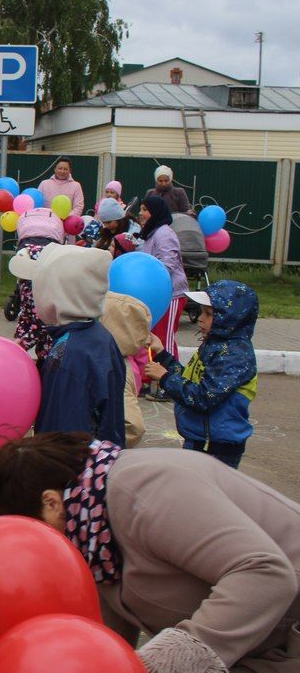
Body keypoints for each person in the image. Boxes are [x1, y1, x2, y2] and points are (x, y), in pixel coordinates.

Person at [0, 433, 300, 673]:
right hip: (249, 654)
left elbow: (263, 572)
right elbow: (109, 630)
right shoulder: (91, 532)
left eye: (34, 530)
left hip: (285, 651)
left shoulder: (145, 490)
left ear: (51, 503)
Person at [9, 243, 126, 446]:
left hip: (68, 469)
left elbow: (60, 438)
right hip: (100, 464)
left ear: (56, 294)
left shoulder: (67, 356)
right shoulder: (98, 336)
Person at [146, 281, 259, 469]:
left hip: (216, 449)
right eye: (200, 312)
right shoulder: (214, 345)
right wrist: (162, 355)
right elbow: (190, 380)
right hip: (201, 441)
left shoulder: (235, 355)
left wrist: (165, 378)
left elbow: (204, 398)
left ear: (229, 318)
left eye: (208, 314)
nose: (200, 319)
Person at [138, 195, 190, 395]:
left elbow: (168, 263)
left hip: (171, 294)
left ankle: (168, 383)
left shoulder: (164, 233)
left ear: (156, 212)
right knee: (152, 337)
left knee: (165, 339)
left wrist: (148, 277)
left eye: (145, 209)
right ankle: (149, 378)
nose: (141, 214)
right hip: (157, 293)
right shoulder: (151, 233)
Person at [12, 207, 66, 362]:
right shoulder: (27, 280)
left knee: (47, 351)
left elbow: (41, 321)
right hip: (33, 274)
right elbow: (26, 312)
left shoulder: (39, 285)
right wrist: (18, 337)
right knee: (28, 310)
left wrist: (22, 342)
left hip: (53, 340)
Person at [101, 292, 152, 448]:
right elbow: (143, 360)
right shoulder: (127, 352)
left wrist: (106, 448)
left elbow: (134, 427)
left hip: (105, 455)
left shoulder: (116, 367)